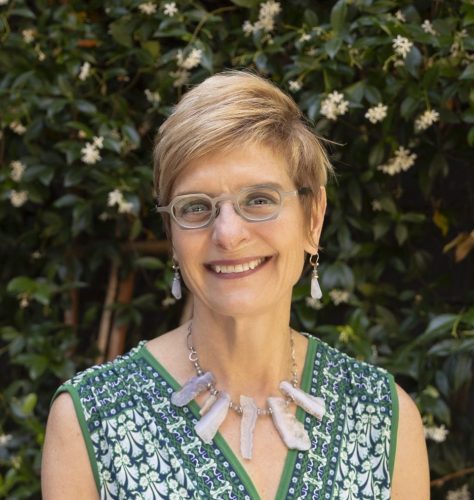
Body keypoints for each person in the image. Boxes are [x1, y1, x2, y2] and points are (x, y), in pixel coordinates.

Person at [42, 71, 430, 499]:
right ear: (172, 233)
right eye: (195, 206)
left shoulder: (383, 418)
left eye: (259, 200)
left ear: (313, 218)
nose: (228, 234)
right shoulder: (90, 422)